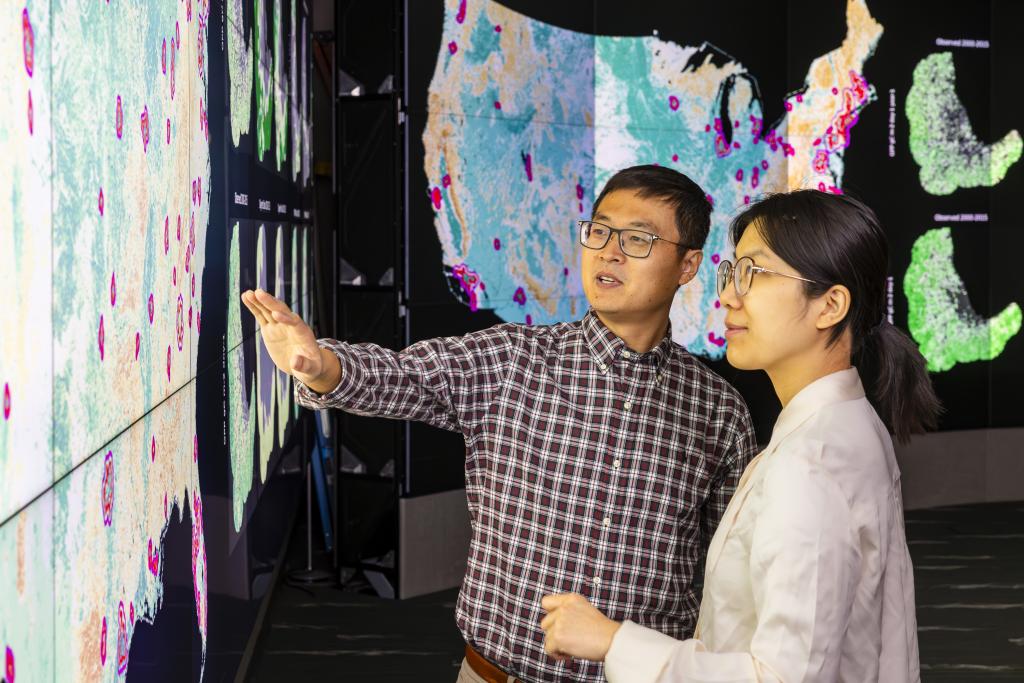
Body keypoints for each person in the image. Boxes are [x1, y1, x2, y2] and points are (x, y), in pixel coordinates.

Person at [241, 165, 758, 683]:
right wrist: (323, 365)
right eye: (599, 231)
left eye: (638, 239)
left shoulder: (719, 411)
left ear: (688, 265)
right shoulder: (514, 359)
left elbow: (728, 579)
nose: (609, 251)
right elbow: (404, 375)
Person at [540, 189, 940, 682]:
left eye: (755, 273)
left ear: (830, 305)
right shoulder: (852, 424)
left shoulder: (807, 466)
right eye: (732, 272)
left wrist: (613, 641)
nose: (727, 295)